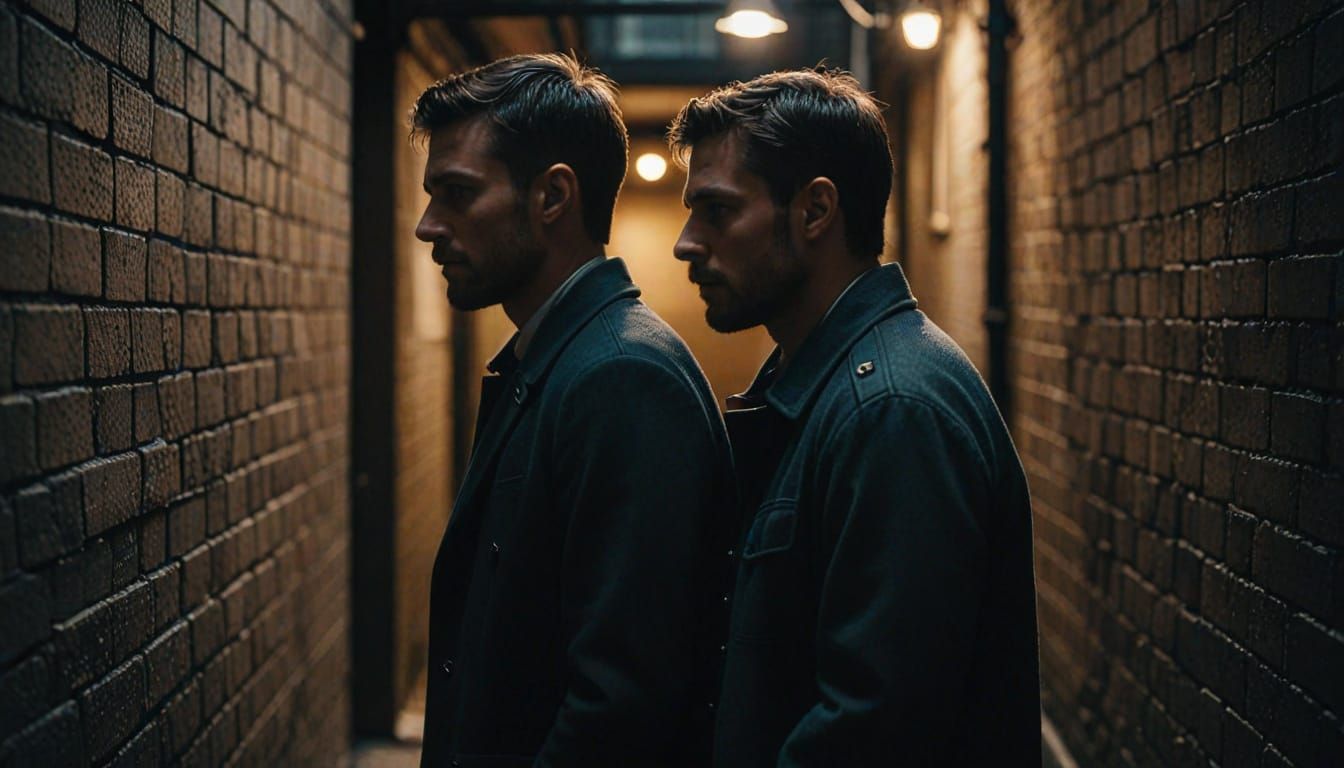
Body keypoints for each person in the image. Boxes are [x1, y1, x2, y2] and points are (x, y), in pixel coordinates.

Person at [669, 68, 1041, 766]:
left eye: (716, 211)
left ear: (814, 212)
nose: (687, 242)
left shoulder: (893, 412)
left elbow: (876, 732)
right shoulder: (827, 387)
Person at [412, 53, 733, 767]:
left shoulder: (620, 377)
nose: (428, 227)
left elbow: (622, 702)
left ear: (552, 197)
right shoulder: (563, 359)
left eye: (457, 194)